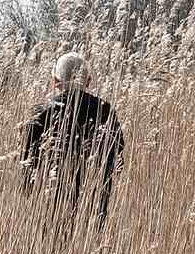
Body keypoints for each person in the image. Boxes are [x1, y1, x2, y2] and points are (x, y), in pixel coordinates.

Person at [20, 52, 125, 234]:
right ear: (88, 81)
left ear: (55, 81)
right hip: (94, 202)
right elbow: (117, 154)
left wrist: (28, 191)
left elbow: (27, 162)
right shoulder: (105, 111)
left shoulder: (41, 113)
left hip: (49, 203)